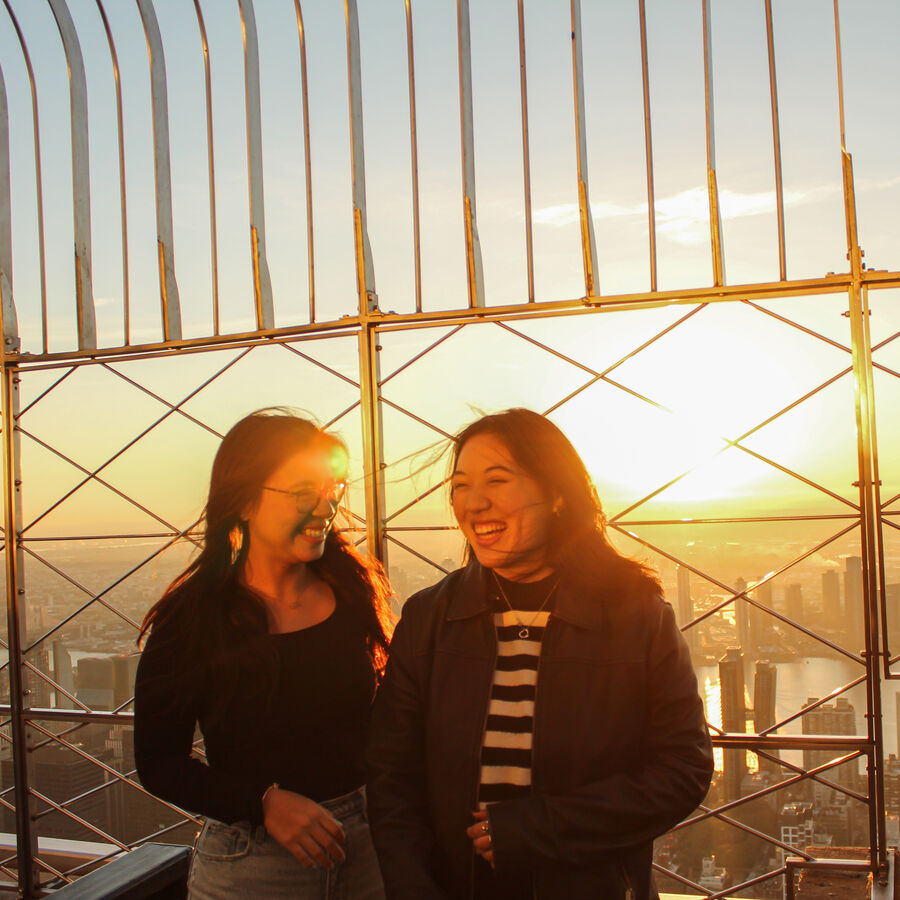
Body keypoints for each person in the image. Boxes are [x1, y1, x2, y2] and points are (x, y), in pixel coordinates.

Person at [367, 408, 713, 900]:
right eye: (460, 485)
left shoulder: (636, 616)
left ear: (556, 493)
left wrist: (536, 828)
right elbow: (391, 774)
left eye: (498, 480)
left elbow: (684, 768)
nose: (474, 502)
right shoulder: (429, 619)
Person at [134, 409, 391, 900]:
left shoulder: (354, 592)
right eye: (302, 493)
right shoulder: (193, 622)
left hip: (365, 848)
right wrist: (262, 803)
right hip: (252, 864)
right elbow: (158, 761)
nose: (326, 507)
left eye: (332, 489)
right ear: (245, 500)